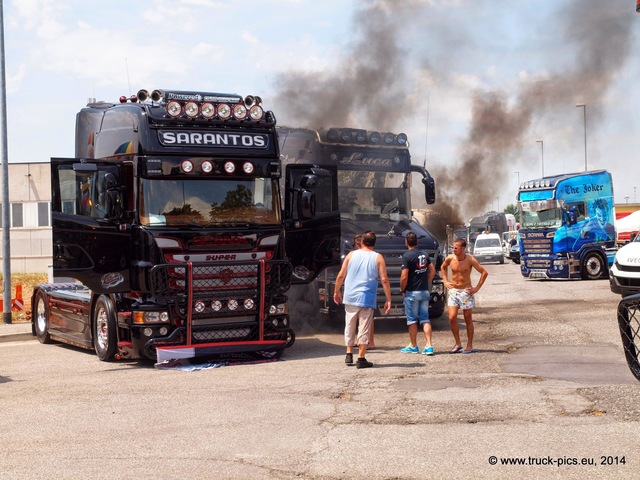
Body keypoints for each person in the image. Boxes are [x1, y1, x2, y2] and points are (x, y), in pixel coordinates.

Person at [334, 231, 392, 368]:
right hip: (367, 297)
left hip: (350, 296)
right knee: (364, 326)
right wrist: (388, 299)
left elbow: (341, 275)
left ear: (362, 242)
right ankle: (361, 358)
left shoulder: (351, 255)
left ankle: (349, 353)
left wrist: (336, 291)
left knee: (350, 323)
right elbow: (384, 279)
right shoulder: (378, 257)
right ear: (374, 243)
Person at [440, 237, 488, 354]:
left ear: (463, 248)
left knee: (468, 319)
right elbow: (443, 267)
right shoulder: (450, 258)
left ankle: (469, 345)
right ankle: (457, 343)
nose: (454, 249)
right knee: (452, 318)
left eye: (456, 247)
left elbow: (484, 272)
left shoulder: (470, 260)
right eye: (453, 247)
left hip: (466, 292)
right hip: (453, 292)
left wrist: (476, 288)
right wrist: (445, 281)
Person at [399, 232, 436, 355]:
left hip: (412, 292)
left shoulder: (407, 256)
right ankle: (429, 345)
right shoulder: (424, 255)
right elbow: (433, 270)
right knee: (425, 319)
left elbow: (404, 277)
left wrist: (402, 289)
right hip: (424, 291)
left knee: (412, 320)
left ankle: (414, 345)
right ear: (417, 242)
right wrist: (427, 282)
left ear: (406, 242)